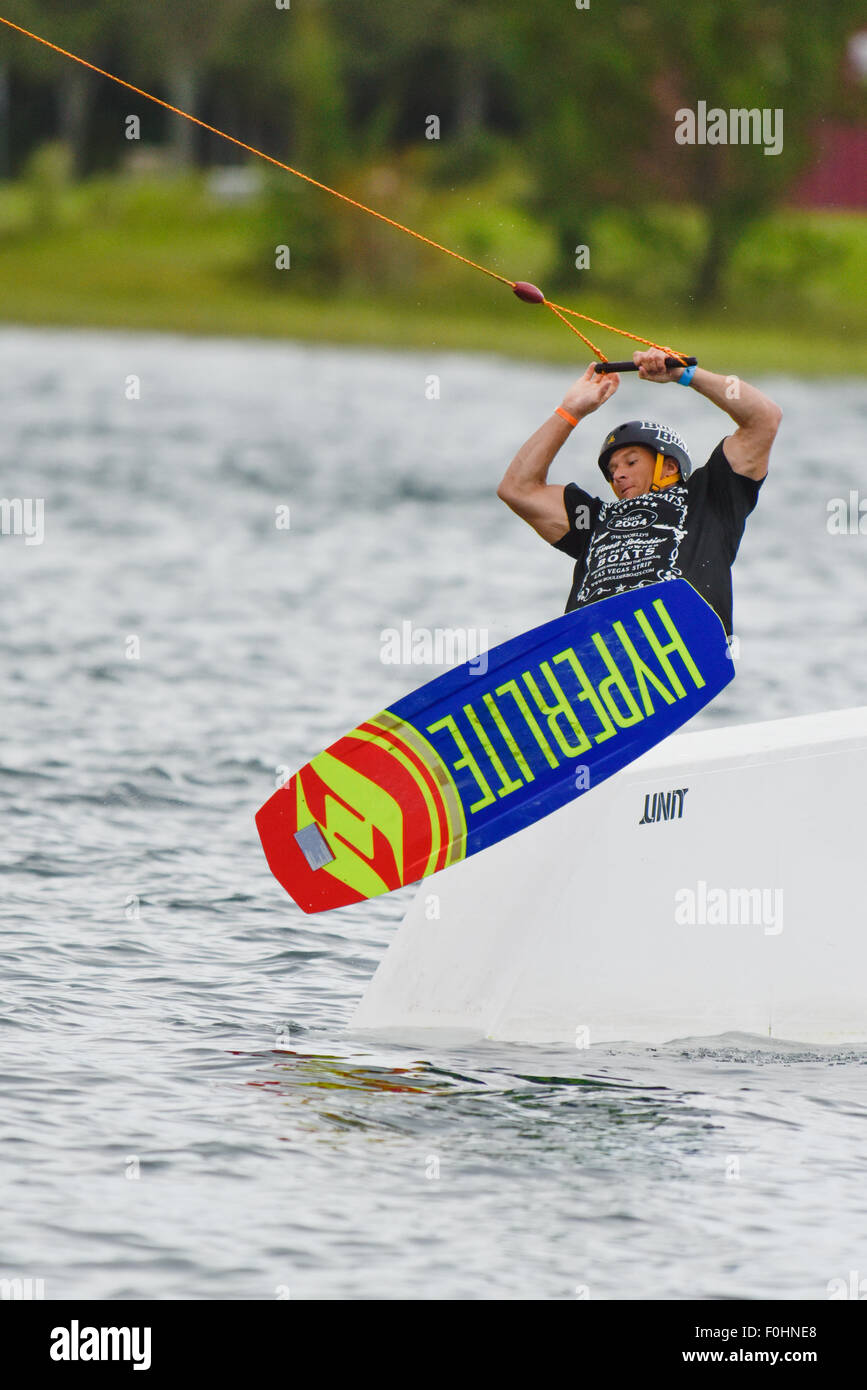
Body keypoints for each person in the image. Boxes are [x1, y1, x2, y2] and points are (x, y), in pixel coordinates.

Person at [496, 348, 782, 637]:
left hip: (681, 645)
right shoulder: (592, 520)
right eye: (612, 470)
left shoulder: (709, 500)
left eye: (631, 462)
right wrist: (570, 411)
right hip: (595, 653)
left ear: (669, 466)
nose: (618, 474)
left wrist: (686, 375)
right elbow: (517, 489)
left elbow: (764, 419)